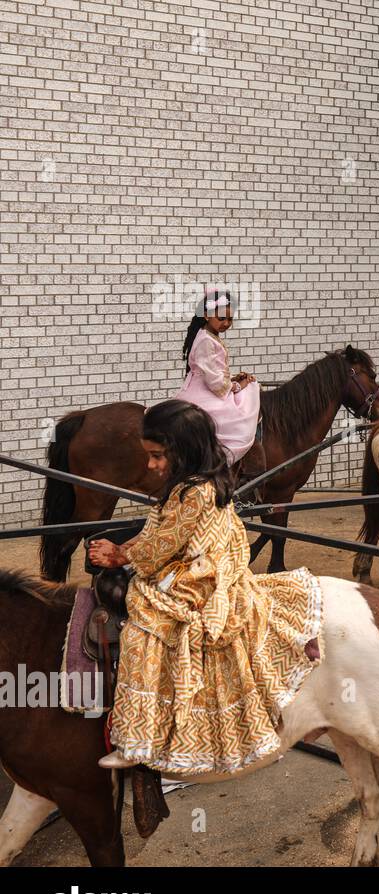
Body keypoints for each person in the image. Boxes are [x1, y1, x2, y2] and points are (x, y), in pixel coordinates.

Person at [88, 400, 324, 773]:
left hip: (202, 575)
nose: (150, 465)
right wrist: (127, 547)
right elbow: (158, 530)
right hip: (190, 558)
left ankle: (139, 739)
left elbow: (164, 544)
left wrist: (120, 556)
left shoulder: (196, 492)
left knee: (145, 629)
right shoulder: (184, 484)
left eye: (157, 456)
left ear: (184, 451)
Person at [175, 286, 260, 465]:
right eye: (221, 318)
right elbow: (215, 383)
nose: (226, 323)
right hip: (205, 391)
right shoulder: (206, 340)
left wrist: (233, 379)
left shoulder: (208, 335)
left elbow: (214, 371)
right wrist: (238, 386)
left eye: (230, 319)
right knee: (246, 403)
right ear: (206, 315)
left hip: (207, 386)